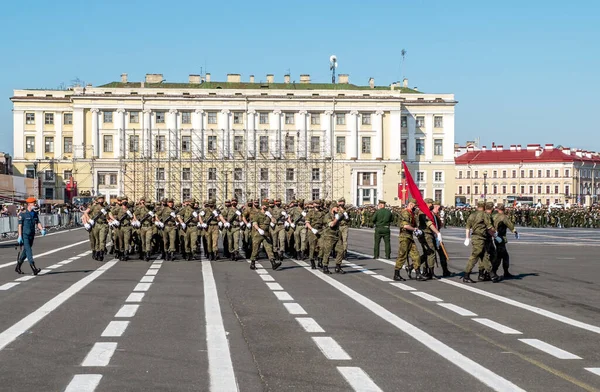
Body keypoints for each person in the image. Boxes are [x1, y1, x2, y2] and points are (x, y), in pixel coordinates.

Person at [463, 201, 499, 283]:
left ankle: (492, 275)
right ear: (484, 207)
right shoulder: (484, 215)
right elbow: (489, 227)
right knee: (474, 256)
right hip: (480, 238)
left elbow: (468, 227)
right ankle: (466, 275)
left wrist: (467, 238)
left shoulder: (472, 215)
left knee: (485, 255)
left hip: (475, 237)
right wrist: (495, 233)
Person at [393, 199, 426, 281]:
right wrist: (415, 229)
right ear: (411, 204)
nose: (416, 208)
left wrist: (416, 230)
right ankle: (396, 274)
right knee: (402, 255)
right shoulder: (405, 213)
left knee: (416, 255)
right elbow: (405, 226)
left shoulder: (411, 213)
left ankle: (418, 273)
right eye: (415, 206)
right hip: (404, 237)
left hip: (410, 237)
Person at [16, 197, 46, 275]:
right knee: (29, 251)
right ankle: (33, 268)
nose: (35, 204)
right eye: (33, 203)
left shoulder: (34, 213)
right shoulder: (23, 214)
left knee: (25, 252)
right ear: (29, 204)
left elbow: (38, 222)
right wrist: (19, 236)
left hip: (31, 235)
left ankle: (18, 266)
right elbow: (19, 225)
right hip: (25, 235)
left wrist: (41, 229)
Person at [417, 198, 443, 280]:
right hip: (426, 234)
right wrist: (437, 233)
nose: (432, 205)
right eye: (431, 203)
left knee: (427, 253)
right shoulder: (423, 212)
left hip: (428, 234)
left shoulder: (426, 212)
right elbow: (429, 224)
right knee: (431, 253)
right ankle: (431, 273)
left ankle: (425, 271)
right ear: (427, 204)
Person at [493, 204, 518, 278]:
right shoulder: (503, 217)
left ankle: (505, 272)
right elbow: (509, 225)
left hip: (495, 237)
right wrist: (514, 231)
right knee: (501, 256)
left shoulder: (495, 216)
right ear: (503, 209)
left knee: (502, 256)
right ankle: (494, 272)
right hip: (501, 237)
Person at [320, 202, 345, 274]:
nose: (338, 208)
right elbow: (331, 225)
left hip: (337, 235)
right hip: (329, 236)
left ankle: (338, 266)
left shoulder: (337, 215)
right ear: (332, 208)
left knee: (341, 250)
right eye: (336, 207)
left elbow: (346, 219)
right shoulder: (327, 216)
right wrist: (337, 219)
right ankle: (325, 266)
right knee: (327, 252)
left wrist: (343, 214)